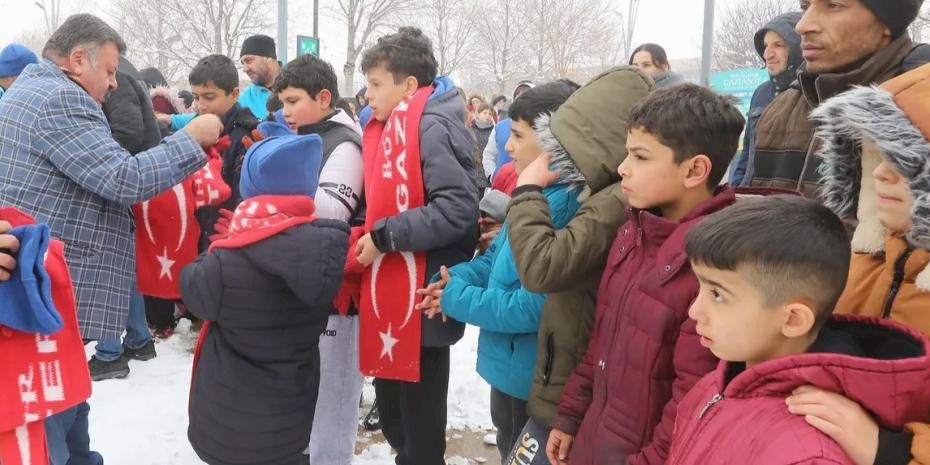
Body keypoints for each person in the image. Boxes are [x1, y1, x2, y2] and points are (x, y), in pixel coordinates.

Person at [0, 13, 223, 465]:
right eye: (109, 70)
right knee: (52, 427)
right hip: (48, 290)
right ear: (78, 59)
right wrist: (192, 139)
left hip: (37, 286)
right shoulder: (61, 97)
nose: (115, 84)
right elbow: (122, 178)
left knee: (66, 408)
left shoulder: (28, 90)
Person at [546, 84, 745, 465]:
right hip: (596, 440)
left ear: (694, 170)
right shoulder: (634, 232)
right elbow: (601, 341)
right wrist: (572, 416)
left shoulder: (714, 266)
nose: (623, 167)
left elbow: (692, 397)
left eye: (640, 156)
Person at [666, 195, 930, 465]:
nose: (694, 311)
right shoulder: (721, 379)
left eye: (717, 294)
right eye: (701, 287)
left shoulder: (811, 454)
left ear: (793, 320)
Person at [418, 80, 582, 462]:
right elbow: (497, 261)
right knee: (509, 444)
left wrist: (456, 298)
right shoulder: (535, 195)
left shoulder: (565, 206)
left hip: (534, 377)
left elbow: (533, 305)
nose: (507, 147)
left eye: (518, 136)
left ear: (553, 140)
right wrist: (453, 279)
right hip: (509, 369)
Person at [501, 66, 653, 465]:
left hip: (570, 391)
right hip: (564, 384)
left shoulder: (615, 200)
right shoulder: (600, 190)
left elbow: (542, 269)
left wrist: (528, 190)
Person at [781, 62, 930, 465]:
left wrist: (891, 451)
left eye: (910, 159)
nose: (881, 173)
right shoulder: (858, 264)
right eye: (876, 154)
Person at [180, 133, 350, 465]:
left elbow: (193, 290)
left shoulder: (225, 262)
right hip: (290, 417)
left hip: (231, 423)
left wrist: (221, 244)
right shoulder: (323, 250)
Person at [354, 26, 479, 465]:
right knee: (395, 416)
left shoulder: (430, 125)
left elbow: (457, 209)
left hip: (424, 294)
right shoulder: (391, 126)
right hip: (394, 290)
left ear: (408, 86)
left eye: (375, 84)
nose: (367, 95)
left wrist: (384, 235)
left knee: (419, 428)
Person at [273, 52, 366, 465]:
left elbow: (330, 214)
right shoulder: (312, 136)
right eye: (283, 103)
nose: (286, 111)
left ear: (324, 96)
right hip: (308, 287)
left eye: (294, 101)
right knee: (307, 396)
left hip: (339, 297)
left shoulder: (343, 143)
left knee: (333, 403)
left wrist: (270, 194)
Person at [747, 0, 928, 197]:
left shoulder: (918, 111)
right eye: (805, 7)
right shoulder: (779, 110)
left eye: (833, 5)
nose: (803, 25)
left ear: (888, 22)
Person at [88, 55, 162, 380]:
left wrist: (99, 168)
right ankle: (138, 338)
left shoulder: (114, 81)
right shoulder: (124, 74)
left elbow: (128, 132)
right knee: (122, 261)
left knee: (108, 261)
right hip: (128, 178)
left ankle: (109, 353)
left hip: (118, 181)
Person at [187, 54, 260, 249]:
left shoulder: (247, 135)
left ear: (234, 94)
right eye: (196, 97)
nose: (201, 106)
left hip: (227, 241)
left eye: (209, 97)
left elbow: (245, 198)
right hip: (196, 237)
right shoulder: (193, 130)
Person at [728, 12, 803, 187]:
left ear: (799, 47)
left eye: (779, 45)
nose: (768, 54)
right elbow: (747, 152)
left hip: (791, 201)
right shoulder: (761, 93)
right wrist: (737, 189)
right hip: (752, 197)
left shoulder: (815, 92)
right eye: (765, 45)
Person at [162, 34, 281, 130]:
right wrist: (171, 120)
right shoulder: (245, 97)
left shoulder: (297, 82)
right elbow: (209, 117)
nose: (245, 69)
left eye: (249, 61)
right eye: (242, 63)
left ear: (268, 57)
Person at [482, 81, 536, 185]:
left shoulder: (539, 129)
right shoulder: (500, 127)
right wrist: (494, 177)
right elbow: (488, 155)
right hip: (501, 187)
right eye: (518, 99)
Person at [471, 102, 496, 195]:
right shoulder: (471, 129)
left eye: (490, 113)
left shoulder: (494, 131)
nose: (487, 116)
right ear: (479, 114)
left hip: (487, 174)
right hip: (473, 172)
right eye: (485, 113)